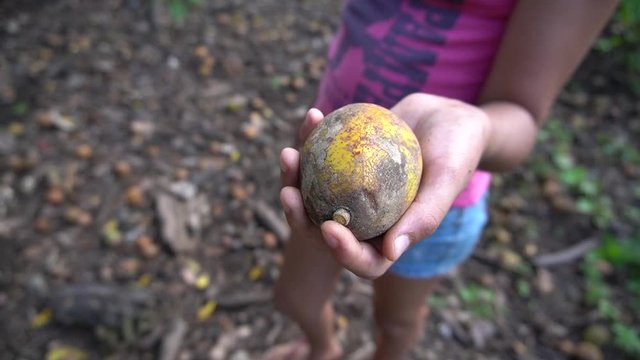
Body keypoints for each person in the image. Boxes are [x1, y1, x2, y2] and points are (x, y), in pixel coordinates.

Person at [268, 0, 618, 359]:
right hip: (326, 177)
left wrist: (478, 126)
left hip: (442, 197)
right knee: (296, 298)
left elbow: (523, 114)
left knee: (395, 321)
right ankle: (322, 348)